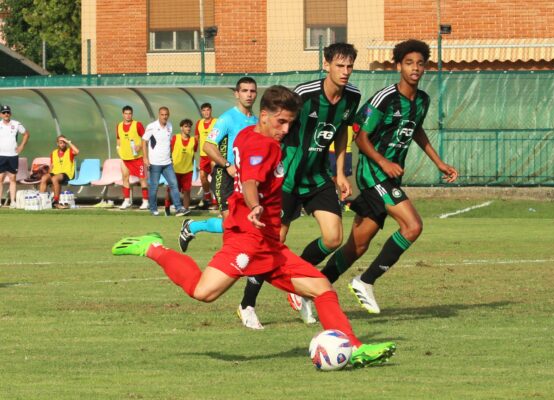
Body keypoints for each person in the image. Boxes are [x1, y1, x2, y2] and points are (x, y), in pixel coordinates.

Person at [111, 85, 396, 368]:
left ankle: (354, 348)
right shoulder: (266, 145)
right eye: (280, 121)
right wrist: (254, 204)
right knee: (202, 292)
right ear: (263, 116)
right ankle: (153, 247)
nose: (285, 129)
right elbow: (250, 181)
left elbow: (249, 172)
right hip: (247, 239)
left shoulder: (248, 133)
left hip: (269, 242)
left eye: (290, 123)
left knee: (322, 288)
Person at [321, 39, 459, 314]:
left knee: (357, 245)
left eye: (420, 63)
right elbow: (359, 134)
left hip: (389, 178)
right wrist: (383, 162)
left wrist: (439, 162)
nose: (415, 68)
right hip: (374, 175)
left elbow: (416, 130)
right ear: (399, 66)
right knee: (413, 226)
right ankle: (365, 281)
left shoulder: (422, 100)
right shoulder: (385, 97)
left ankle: (315, 287)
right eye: (409, 63)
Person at [242, 43, 362, 326]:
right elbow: (276, 125)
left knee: (333, 238)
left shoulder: (352, 97)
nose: (345, 72)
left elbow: (342, 132)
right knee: (274, 242)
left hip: (318, 178)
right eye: (339, 66)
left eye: (349, 67)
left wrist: (341, 172)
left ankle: (298, 286)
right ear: (326, 65)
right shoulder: (305, 95)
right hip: (287, 180)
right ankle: (247, 304)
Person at [178, 77, 261, 329]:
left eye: (252, 91)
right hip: (226, 177)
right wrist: (227, 165)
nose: (249, 95)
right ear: (236, 94)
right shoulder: (226, 118)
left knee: (240, 229)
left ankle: (192, 227)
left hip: (247, 180)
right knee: (232, 227)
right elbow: (207, 145)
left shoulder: (256, 121)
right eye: (244, 91)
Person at [142, 106, 190, 217]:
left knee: (174, 184)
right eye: (162, 115)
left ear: (168, 115)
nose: (164, 117)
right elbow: (144, 141)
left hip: (167, 162)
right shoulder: (152, 126)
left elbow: (168, 143)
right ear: (159, 115)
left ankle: (178, 208)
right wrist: (145, 157)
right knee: (154, 187)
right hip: (155, 163)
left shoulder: (170, 126)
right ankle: (153, 209)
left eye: (166, 115)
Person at [116, 105, 149, 210]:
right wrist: (119, 149)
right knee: (125, 178)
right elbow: (118, 139)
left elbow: (146, 139)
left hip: (137, 158)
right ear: (122, 114)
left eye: (130, 113)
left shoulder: (137, 125)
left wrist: (139, 146)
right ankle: (126, 201)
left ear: (132, 114)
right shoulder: (119, 125)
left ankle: (145, 201)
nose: (128, 115)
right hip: (125, 158)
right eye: (126, 113)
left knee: (142, 179)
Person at [164, 119, 198, 213]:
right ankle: (167, 207)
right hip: (175, 170)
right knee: (171, 190)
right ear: (181, 128)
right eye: (186, 126)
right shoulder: (175, 138)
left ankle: (185, 209)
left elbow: (193, 153)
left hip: (188, 170)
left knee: (187, 191)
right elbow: (169, 150)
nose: (188, 128)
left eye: (189, 126)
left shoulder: (193, 140)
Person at [0, 105, 29, 208]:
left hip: (13, 155)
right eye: (4, 112)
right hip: (1, 156)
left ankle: (12, 202)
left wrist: (21, 146)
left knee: (12, 178)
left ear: (10, 114)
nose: (6, 114)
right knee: (0, 178)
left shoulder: (16, 124)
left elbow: (26, 134)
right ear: (0, 114)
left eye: (7, 112)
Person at [39, 135, 80, 208]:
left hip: (66, 174)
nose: (63, 144)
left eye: (64, 142)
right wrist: (49, 175)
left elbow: (77, 151)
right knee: (44, 178)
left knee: (55, 178)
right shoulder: (53, 153)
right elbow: (51, 165)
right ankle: (42, 201)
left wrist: (68, 142)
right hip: (55, 173)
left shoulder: (69, 151)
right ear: (57, 144)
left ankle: (56, 202)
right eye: (61, 143)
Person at [194, 103, 217, 209]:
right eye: (204, 110)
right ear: (201, 112)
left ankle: (216, 200)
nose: (206, 112)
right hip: (203, 156)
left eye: (208, 110)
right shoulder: (199, 123)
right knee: (203, 176)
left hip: (214, 154)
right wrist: (193, 151)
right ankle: (207, 197)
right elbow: (196, 138)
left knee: (215, 177)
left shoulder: (216, 122)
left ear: (211, 110)